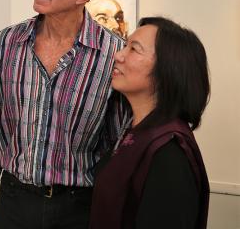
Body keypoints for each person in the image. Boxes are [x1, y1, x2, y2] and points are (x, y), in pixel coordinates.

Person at [0, 0, 128, 229]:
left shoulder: (113, 53)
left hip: (78, 208)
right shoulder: (8, 42)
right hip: (14, 202)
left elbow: (119, 143)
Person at [89, 17, 210, 229]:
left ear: (167, 69)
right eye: (125, 45)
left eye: (133, 49)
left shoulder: (168, 151)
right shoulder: (137, 132)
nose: (118, 55)